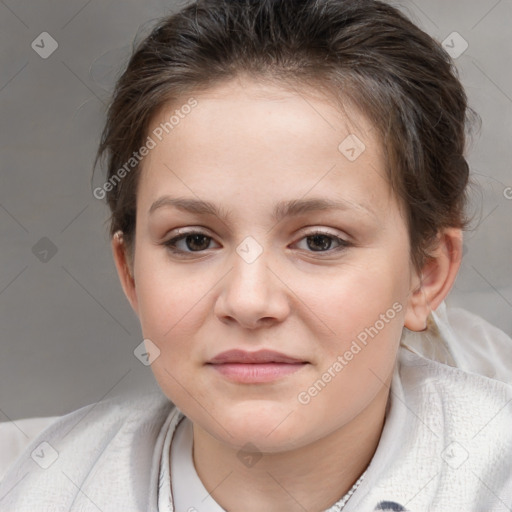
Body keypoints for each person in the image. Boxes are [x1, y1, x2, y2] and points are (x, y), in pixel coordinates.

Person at [1, 0, 511, 510]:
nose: (248, 302)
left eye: (319, 241)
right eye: (193, 241)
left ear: (426, 275)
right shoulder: (30, 486)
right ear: (131, 274)